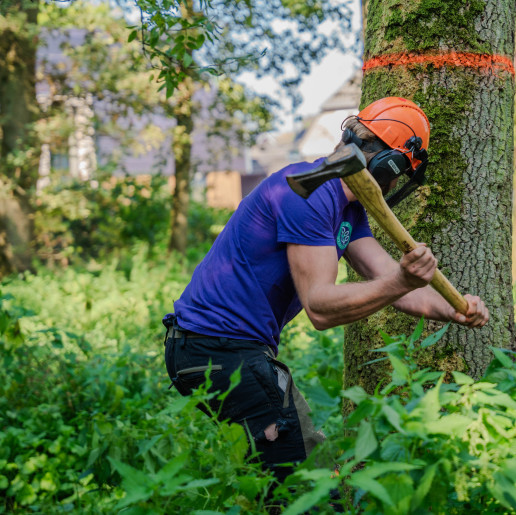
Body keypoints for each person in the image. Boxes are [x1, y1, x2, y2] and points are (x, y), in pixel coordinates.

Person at [162, 97, 489, 482]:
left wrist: (452, 308)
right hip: (216, 347)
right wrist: (401, 280)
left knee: (281, 481)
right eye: (401, 173)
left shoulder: (348, 211)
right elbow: (320, 307)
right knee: (307, 482)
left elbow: (390, 280)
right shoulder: (311, 194)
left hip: (217, 347)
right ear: (390, 165)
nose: (397, 184)